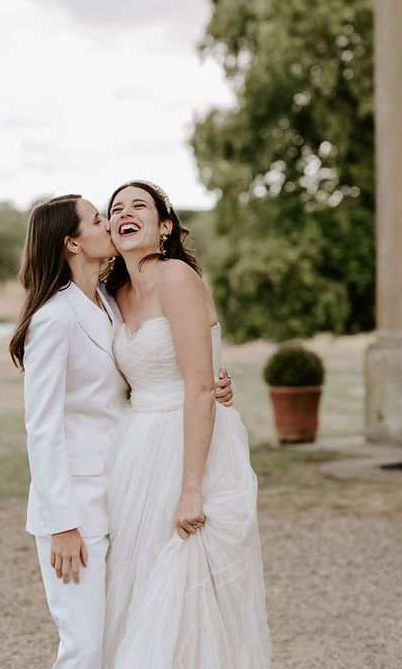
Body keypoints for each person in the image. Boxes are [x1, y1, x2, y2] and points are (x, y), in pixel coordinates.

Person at [9, 193, 234, 669]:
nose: (110, 223)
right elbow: (42, 428)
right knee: (84, 648)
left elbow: (145, 377)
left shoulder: (111, 302)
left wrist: (214, 382)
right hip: (77, 507)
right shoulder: (52, 319)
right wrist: (62, 524)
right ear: (73, 243)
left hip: (129, 489)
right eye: (99, 218)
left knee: (124, 635)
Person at [102, 180, 271, 668]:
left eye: (140, 206)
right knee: (139, 584)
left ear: (164, 227)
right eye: (116, 209)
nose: (125, 213)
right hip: (138, 448)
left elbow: (200, 388)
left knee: (188, 586)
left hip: (189, 441)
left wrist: (191, 488)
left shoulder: (176, 277)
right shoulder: (115, 292)